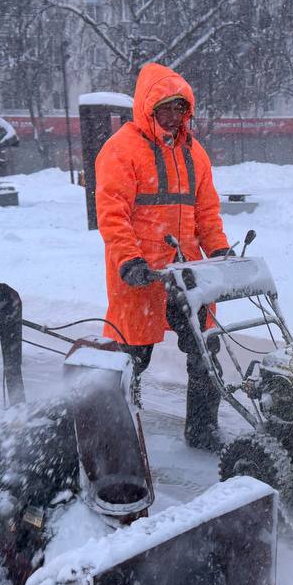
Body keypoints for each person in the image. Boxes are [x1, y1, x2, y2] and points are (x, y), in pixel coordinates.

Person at [95, 62, 232, 451]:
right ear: (148, 109)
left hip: (187, 270)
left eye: (179, 109)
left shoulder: (195, 153)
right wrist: (128, 261)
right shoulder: (122, 150)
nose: (173, 117)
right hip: (142, 272)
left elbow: (206, 212)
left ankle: (203, 429)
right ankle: (117, 430)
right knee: (132, 358)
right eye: (165, 109)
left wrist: (219, 249)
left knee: (206, 352)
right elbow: (113, 215)